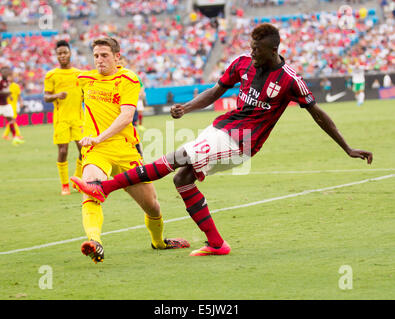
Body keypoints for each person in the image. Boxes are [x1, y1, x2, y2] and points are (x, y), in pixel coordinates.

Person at [71, 24, 373, 257]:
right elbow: (216, 90)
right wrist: (187, 107)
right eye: (251, 47)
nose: (251, 53)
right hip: (221, 129)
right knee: (183, 179)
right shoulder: (243, 62)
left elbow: (318, 114)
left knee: (178, 156)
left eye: (257, 49)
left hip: (242, 141)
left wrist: (347, 147)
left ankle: (103, 189)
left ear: (273, 50)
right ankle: (217, 244)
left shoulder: (289, 80)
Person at [73, 37, 189, 264]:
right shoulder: (84, 79)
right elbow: (75, 107)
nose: (99, 60)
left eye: (104, 55)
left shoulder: (128, 79)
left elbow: (126, 116)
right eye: (96, 56)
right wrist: (84, 134)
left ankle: (158, 241)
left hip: (126, 151)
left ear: (117, 57)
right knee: (91, 193)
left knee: (152, 206)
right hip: (97, 151)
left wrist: (97, 136)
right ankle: (94, 242)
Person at [44, 40, 84, 196]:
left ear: (70, 53)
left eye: (65, 52)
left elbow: (85, 94)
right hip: (61, 119)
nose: (62, 56)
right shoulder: (51, 75)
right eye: (59, 53)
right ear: (56, 56)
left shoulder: (79, 74)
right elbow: (46, 97)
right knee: (63, 151)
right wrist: (57, 95)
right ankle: (65, 185)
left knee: (84, 150)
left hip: (79, 119)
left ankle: (77, 179)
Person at [0, 67, 24, 146]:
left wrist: (20, 102)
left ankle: (13, 136)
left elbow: (18, 95)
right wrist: (7, 94)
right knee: (12, 120)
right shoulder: (2, 82)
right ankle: (16, 135)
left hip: (9, 105)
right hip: (4, 105)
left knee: (11, 120)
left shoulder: (12, 85)